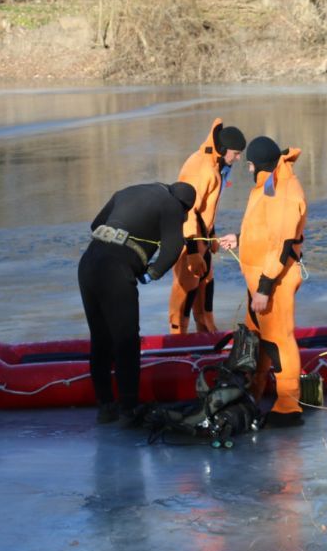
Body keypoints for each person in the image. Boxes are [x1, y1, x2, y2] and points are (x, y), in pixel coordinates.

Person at [79, 181, 196, 425]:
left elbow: (95, 225)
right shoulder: (173, 205)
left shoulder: (128, 190)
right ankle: (129, 408)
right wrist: (152, 272)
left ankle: (105, 406)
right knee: (126, 340)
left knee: (101, 339)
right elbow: (175, 245)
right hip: (115, 270)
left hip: (88, 264)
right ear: (184, 207)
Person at [218, 136, 307, 428]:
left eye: (251, 164)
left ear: (260, 164)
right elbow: (265, 232)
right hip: (258, 278)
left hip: (273, 281)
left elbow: (282, 244)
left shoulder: (282, 190)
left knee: (279, 341)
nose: (248, 169)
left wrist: (265, 289)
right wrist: (240, 240)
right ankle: (253, 394)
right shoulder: (268, 185)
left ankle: (289, 406)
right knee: (257, 341)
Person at [168, 118, 246, 334]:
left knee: (205, 289)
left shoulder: (216, 165)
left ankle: (207, 335)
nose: (238, 159)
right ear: (223, 149)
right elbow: (187, 210)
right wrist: (192, 251)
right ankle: (177, 340)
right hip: (187, 242)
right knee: (184, 294)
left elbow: (205, 209)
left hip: (202, 240)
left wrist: (211, 235)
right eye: (236, 153)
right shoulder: (201, 168)